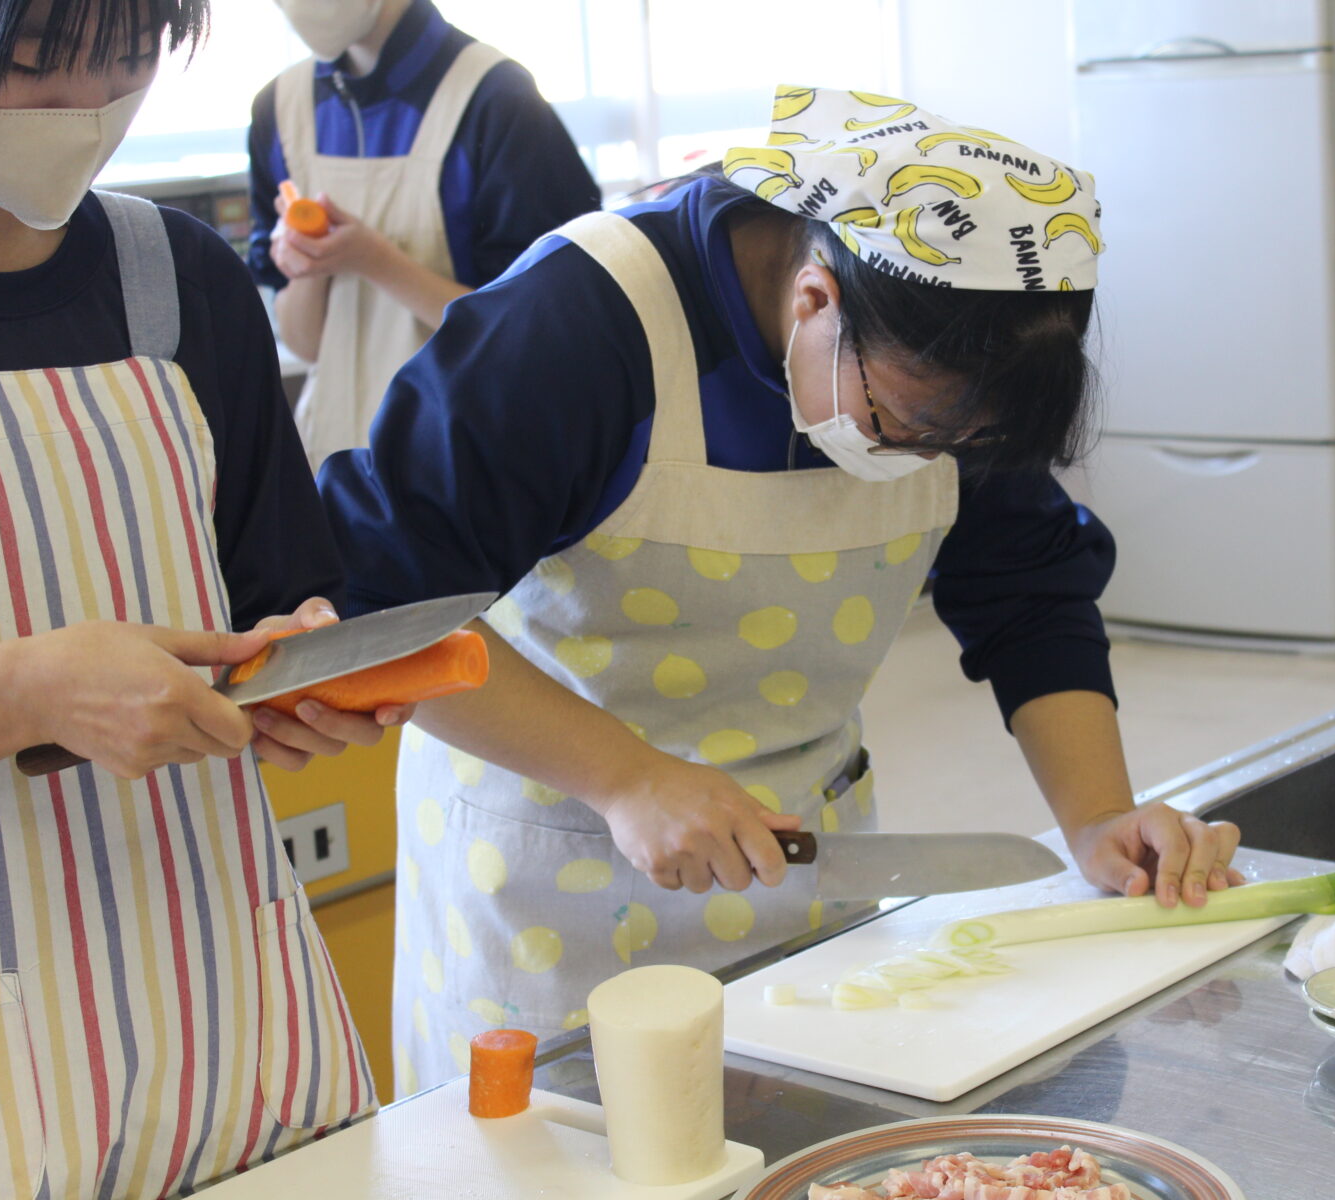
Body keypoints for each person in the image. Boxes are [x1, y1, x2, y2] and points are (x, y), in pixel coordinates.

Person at [318, 85, 1244, 1090]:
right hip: (554, 876)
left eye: (965, 447)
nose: (932, 459)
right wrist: (626, 777)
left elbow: (1027, 593)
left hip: (810, 863)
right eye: (903, 424)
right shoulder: (577, 326)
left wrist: (1099, 821)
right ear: (815, 301)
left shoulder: (962, 354)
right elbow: (381, 608)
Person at [0, 1, 407, 1193]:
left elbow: (281, 602)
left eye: (128, 57)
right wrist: (20, 694)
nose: (86, 105)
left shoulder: (178, 282)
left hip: (226, 1002)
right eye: (37, 61)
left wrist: (305, 676)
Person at [249, 0, 599, 469]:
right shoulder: (281, 106)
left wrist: (373, 259)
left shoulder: (496, 99)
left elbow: (539, 334)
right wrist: (309, 262)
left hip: (471, 457)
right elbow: (307, 344)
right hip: (336, 455)